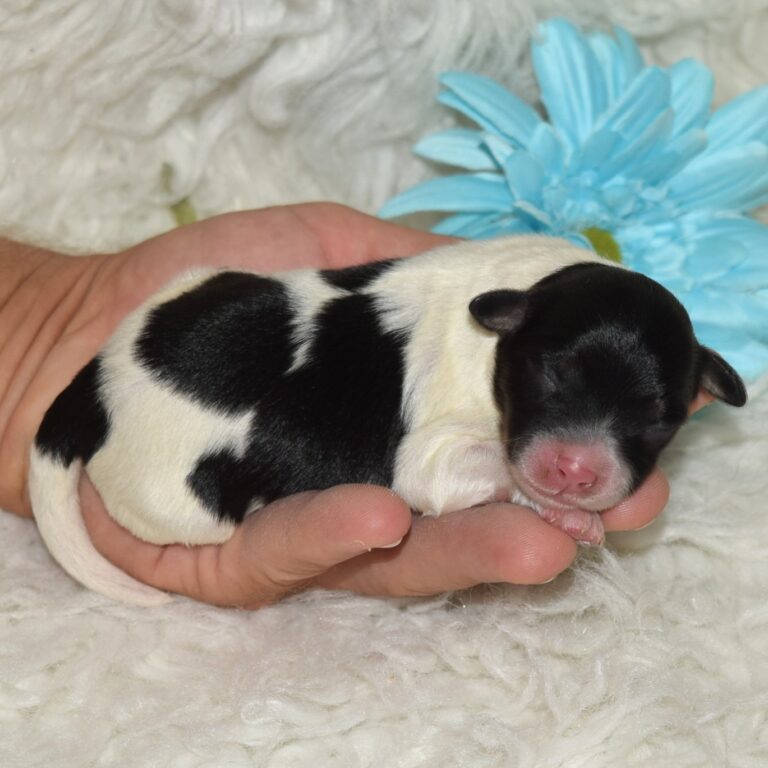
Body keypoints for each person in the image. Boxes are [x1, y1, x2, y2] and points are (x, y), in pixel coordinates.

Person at [0, 202, 674, 608]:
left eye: (645, 423)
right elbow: (427, 477)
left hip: (173, 339)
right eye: (557, 382)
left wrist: (42, 318)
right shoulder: (448, 352)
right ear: (506, 323)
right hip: (164, 469)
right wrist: (529, 495)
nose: (579, 463)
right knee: (193, 513)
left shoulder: (453, 297)